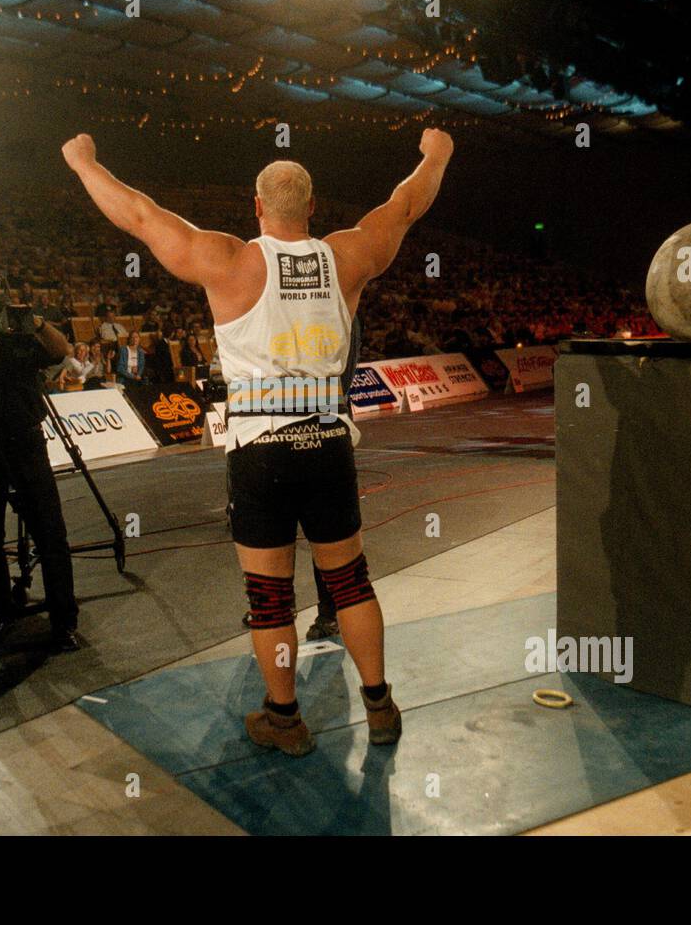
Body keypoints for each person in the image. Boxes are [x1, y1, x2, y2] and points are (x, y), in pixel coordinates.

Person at [63, 126, 453, 756]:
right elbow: (406, 203)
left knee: (270, 595)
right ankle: (379, 705)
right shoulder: (347, 255)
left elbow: (139, 215)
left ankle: (284, 717)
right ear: (312, 207)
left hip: (262, 449)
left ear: (257, 207)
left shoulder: (231, 259)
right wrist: (436, 156)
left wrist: (85, 163)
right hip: (328, 440)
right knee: (351, 581)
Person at [0, 270, 80, 652]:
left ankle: (64, 621)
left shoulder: (25, 331)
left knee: (50, 533)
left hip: (26, 442)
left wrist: (34, 321)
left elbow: (61, 351)